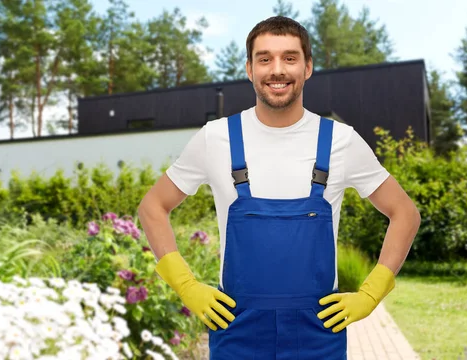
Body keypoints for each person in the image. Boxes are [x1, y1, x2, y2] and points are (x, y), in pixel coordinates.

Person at [137, 15, 421, 360]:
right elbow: (153, 207)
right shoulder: (216, 138)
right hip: (236, 330)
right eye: (265, 58)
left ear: (308, 67)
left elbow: (404, 213)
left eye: (289, 58)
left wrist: (371, 293)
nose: (277, 70)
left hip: (318, 334)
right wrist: (186, 286)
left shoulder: (339, 141)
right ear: (249, 69)